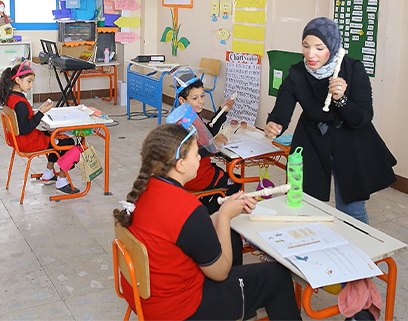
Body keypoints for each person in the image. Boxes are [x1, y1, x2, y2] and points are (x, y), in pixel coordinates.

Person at [113, 124, 302, 320]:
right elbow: (220, 272)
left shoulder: (145, 191)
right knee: (276, 276)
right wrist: (225, 216)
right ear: (180, 165)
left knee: (237, 252)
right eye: (196, 154)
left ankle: (242, 303)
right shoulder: (187, 208)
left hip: (146, 300)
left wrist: (223, 211)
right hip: (181, 310)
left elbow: (187, 231)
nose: (200, 159)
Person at [265, 17, 396, 224]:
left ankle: (355, 243)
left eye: (319, 48)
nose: (310, 54)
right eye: (306, 46)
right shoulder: (297, 73)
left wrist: (341, 100)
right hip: (313, 140)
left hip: (350, 142)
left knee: (351, 209)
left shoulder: (353, 69)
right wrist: (275, 124)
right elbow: (281, 111)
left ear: (333, 46)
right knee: (306, 202)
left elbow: (363, 117)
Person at [0, 61, 80, 194]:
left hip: (16, 140)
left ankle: (48, 173)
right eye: (29, 81)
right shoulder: (20, 103)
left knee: (53, 136)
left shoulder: (10, 97)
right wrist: (41, 112)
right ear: (17, 80)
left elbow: (21, 120)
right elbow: (25, 129)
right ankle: (62, 182)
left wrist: (36, 112)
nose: (31, 85)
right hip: (27, 142)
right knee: (68, 142)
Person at [174, 72, 241, 214]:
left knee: (221, 174)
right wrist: (214, 144)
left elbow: (207, 132)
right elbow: (190, 153)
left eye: (202, 96)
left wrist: (222, 111)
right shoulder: (185, 123)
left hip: (193, 172)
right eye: (195, 98)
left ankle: (203, 207)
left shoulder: (188, 115)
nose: (201, 101)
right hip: (196, 175)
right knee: (236, 182)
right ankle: (208, 214)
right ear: (182, 100)